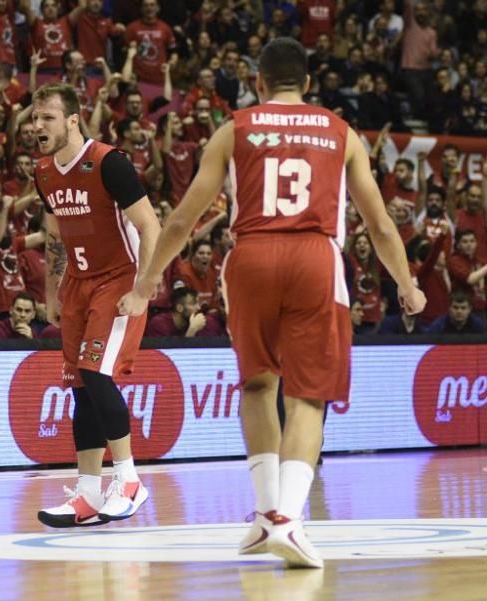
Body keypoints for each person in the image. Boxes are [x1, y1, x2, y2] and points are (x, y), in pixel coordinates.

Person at [131, 37, 426, 568]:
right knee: (310, 395)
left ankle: (268, 512)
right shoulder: (342, 133)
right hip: (316, 256)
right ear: (308, 83)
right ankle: (288, 518)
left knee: (257, 383)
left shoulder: (233, 128)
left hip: (251, 256)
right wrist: (406, 285)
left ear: (258, 83)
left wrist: (148, 279)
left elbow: (182, 219)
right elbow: (380, 224)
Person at [32, 82, 162, 527]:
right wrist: (52, 292)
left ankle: (128, 481)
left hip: (117, 280)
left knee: (95, 372)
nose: (37, 126)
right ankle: (87, 493)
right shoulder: (44, 171)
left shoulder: (109, 162)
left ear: (71, 120)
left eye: (47, 118)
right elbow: (54, 236)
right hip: (77, 285)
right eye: (34, 119)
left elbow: (151, 226)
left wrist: (143, 289)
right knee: (80, 388)